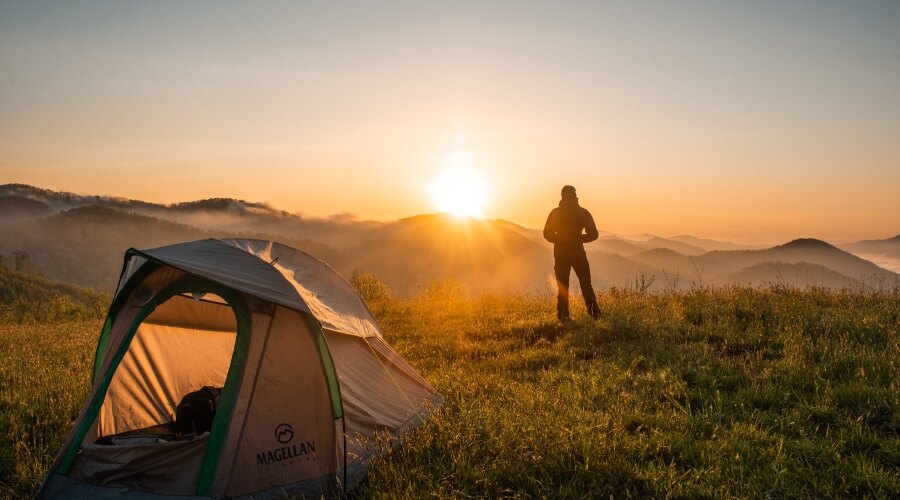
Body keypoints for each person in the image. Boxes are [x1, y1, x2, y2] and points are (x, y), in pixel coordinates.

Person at [543, 185, 600, 321]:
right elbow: (594, 234)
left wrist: (561, 239)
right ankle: (594, 314)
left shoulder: (556, 213)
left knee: (563, 285)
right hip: (578, 252)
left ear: (562, 195)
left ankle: (563, 316)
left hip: (561, 253)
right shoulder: (583, 213)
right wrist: (579, 238)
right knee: (586, 283)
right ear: (575, 195)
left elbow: (547, 233)